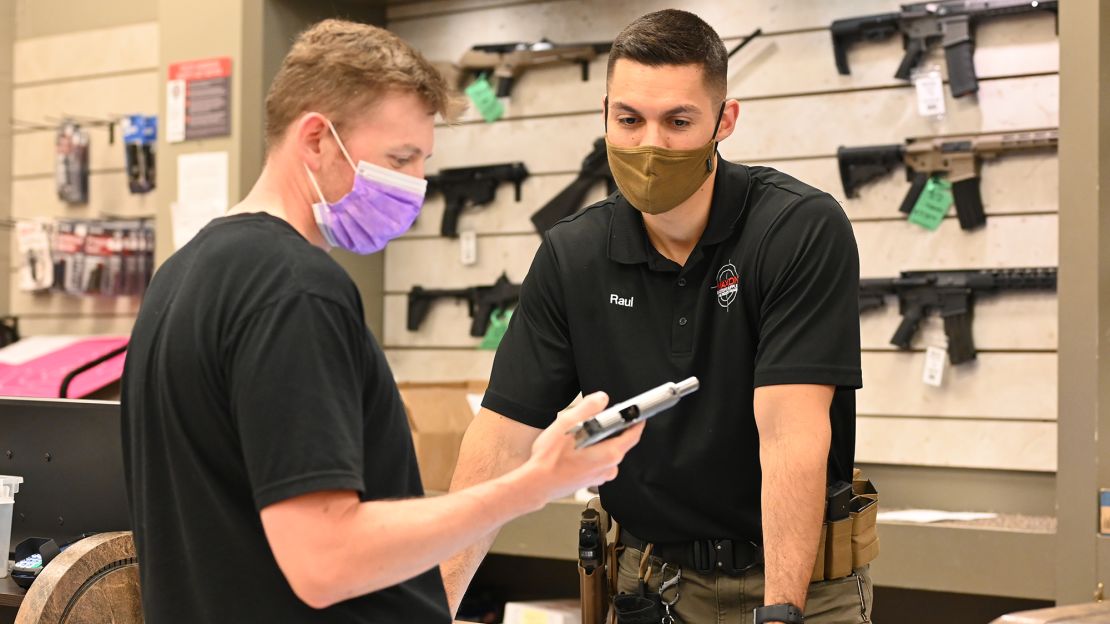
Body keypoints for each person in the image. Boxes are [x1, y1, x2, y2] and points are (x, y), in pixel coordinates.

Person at [120, 19, 643, 623]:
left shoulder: (182, 275)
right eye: (398, 158)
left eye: (422, 161)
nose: (414, 185)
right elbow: (326, 559)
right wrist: (528, 485)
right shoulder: (295, 291)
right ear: (316, 138)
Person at [443, 9, 871, 624]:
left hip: (801, 580)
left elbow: (790, 436)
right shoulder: (573, 256)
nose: (650, 145)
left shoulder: (797, 228)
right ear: (606, 114)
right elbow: (499, 440)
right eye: (630, 120)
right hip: (651, 585)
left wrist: (782, 612)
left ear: (724, 120)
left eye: (677, 122)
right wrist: (435, 603)